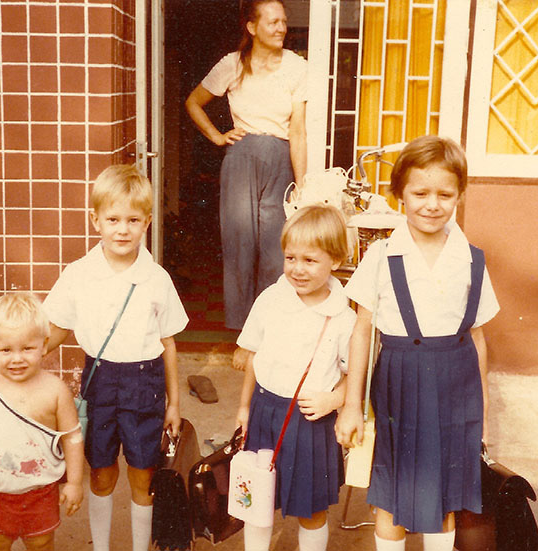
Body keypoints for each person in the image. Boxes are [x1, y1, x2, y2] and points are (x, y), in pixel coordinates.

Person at [0, 165, 189, 551]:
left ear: (147, 222)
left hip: (145, 384)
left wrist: (175, 402)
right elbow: (57, 330)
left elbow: (168, 343)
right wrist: (9, 363)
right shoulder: (78, 274)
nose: (123, 229)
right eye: (113, 219)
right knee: (100, 472)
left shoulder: (157, 279)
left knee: (142, 474)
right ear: (95, 220)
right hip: (99, 381)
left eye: (133, 220)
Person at [335, 136, 500, 551]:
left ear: (460, 196)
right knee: (393, 489)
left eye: (445, 194)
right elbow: (361, 332)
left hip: (456, 387)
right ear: (399, 195)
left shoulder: (470, 259)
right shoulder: (382, 256)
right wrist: (352, 405)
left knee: (444, 490)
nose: (432, 204)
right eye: (420, 193)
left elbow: (477, 336)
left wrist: (482, 411)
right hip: (399, 382)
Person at [235, 205, 355, 551]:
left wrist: (333, 399)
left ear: (335, 260)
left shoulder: (343, 317)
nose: (297, 269)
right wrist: (244, 407)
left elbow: (354, 374)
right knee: (256, 500)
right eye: (291, 258)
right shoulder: (271, 299)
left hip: (311, 420)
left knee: (312, 508)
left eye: (310, 260)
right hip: (265, 411)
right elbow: (255, 356)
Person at [185, 0, 308, 332]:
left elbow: (297, 131)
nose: (281, 28)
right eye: (272, 22)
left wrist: (302, 185)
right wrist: (215, 135)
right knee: (239, 247)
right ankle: (241, 333)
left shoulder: (297, 67)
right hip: (241, 157)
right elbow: (194, 102)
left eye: (283, 21)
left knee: (274, 251)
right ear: (253, 28)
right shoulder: (233, 64)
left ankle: (267, 329)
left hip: (280, 158)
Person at [0, 292, 85, 551]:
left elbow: (72, 437)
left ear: (44, 344)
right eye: (5, 350)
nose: (16, 358)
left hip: (41, 491)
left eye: (27, 348)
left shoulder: (56, 390)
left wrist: (74, 482)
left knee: (42, 544)